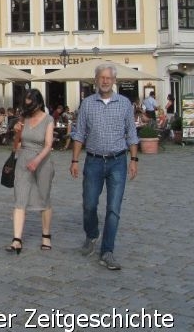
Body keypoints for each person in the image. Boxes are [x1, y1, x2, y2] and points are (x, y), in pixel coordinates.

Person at [70, 64, 139, 271]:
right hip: (93, 161)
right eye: (102, 77)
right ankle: (92, 235)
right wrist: (74, 160)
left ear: (114, 81)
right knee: (89, 205)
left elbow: (132, 134)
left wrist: (134, 160)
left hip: (118, 161)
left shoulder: (125, 104)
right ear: (96, 80)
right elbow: (79, 133)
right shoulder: (88, 104)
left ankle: (107, 251)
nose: (105, 81)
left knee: (113, 209)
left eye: (109, 78)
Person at [6, 89, 55, 255]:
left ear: (39, 103)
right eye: (26, 105)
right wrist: (16, 132)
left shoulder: (48, 119)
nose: (28, 109)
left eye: (31, 105)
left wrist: (37, 160)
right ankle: (17, 239)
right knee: (20, 198)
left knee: (43, 198)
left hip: (42, 161)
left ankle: (46, 235)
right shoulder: (23, 118)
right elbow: (16, 144)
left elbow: (48, 145)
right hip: (23, 160)